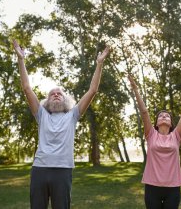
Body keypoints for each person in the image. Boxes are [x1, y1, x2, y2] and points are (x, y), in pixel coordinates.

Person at [13, 39, 110, 209]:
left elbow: (93, 90)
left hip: (63, 170)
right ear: (47, 101)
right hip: (40, 170)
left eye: (59, 93)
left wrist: (99, 64)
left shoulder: (73, 115)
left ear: (66, 99)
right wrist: (21, 60)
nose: (56, 95)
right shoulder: (41, 114)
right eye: (52, 94)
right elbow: (27, 88)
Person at [128, 76, 181, 209]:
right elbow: (144, 112)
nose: (164, 116)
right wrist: (135, 89)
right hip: (152, 188)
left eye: (167, 116)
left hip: (173, 188)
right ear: (156, 123)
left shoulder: (176, 136)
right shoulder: (151, 134)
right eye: (161, 116)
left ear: (171, 122)